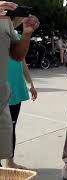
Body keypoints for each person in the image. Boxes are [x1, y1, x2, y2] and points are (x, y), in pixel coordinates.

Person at [0, 1, 39, 166]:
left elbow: (18, 57)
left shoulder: (8, 27)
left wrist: (26, 34)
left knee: (9, 130)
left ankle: (9, 162)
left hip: (8, 91)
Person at [6, 32, 38, 169]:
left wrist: (30, 84)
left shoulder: (17, 35)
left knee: (11, 128)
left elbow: (22, 60)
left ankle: (9, 162)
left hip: (15, 90)